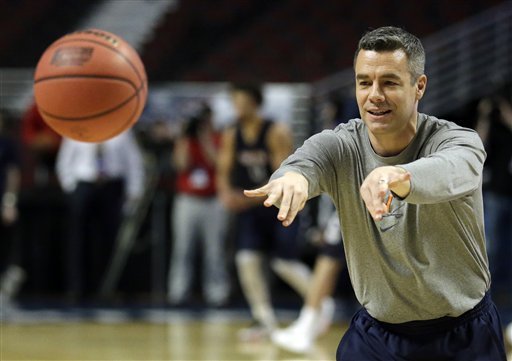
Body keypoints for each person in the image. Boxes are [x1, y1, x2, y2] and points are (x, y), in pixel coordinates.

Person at [245, 27, 506, 360]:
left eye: (390, 82)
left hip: (464, 335)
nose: (375, 95)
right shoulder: (340, 146)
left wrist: (396, 176)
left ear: (419, 86)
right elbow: (306, 162)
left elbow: (453, 170)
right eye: (364, 82)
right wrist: (292, 178)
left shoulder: (456, 141)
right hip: (377, 337)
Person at [217, 83, 312, 341]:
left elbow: (284, 174)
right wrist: (226, 193)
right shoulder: (231, 133)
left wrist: (248, 199)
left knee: (284, 262)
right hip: (251, 207)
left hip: (280, 205)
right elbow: (223, 170)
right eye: (235, 101)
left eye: (243, 101)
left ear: (255, 103)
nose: (238, 107)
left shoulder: (275, 130)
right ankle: (263, 318)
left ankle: (320, 305)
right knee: (246, 260)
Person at [56, 130, 144, 302]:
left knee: (110, 239)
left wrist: (134, 190)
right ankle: (77, 288)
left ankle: (109, 288)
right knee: (79, 240)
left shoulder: (121, 130)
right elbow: (64, 162)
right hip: (84, 184)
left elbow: (133, 162)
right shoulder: (76, 129)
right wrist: (71, 188)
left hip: (111, 186)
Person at [167, 105, 230, 307]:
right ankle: (178, 292)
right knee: (183, 248)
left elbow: (217, 163)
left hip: (213, 200)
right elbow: (181, 164)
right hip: (188, 199)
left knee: (215, 250)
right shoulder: (186, 139)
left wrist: (205, 137)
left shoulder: (219, 138)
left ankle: (217, 293)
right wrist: (186, 136)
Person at [271, 195, 343, 353]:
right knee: (330, 255)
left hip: (360, 198)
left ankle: (308, 322)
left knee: (330, 256)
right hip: (342, 202)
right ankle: (309, 320)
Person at [0, 111, 25, 305]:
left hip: (2, 201)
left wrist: (9, 201)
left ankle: (5, 291)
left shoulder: (7, 144)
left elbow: (13, 173)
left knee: (4, 246)